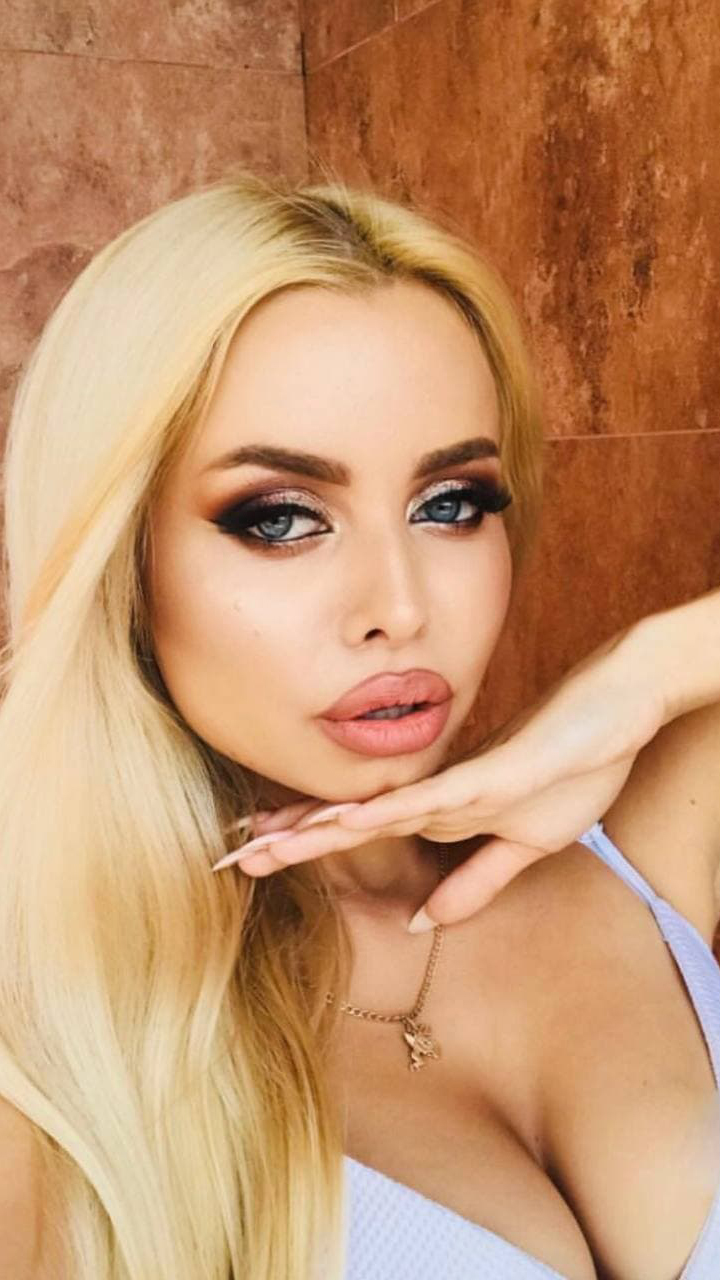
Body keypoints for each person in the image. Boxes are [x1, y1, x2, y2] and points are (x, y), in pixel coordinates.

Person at [0, 169, 716, 1280]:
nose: (400, 606)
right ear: (123, 560)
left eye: (451, 504)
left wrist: (647, 675)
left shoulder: (646, 837)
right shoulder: (54, 1078)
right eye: (282, 518)